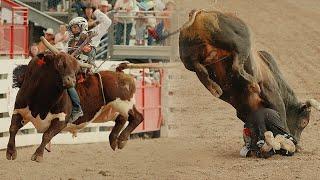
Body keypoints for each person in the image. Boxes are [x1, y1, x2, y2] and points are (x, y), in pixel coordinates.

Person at [65, 7, 112, 123]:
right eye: (72, 27)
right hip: (72, 68)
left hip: (85, 69)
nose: (73, 30)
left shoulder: (92, 35)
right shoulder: (70, 41)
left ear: (82, 27)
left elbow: (107, 22)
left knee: (68, 83)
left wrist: (96, 11)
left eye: (75, 27)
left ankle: (76, 109)